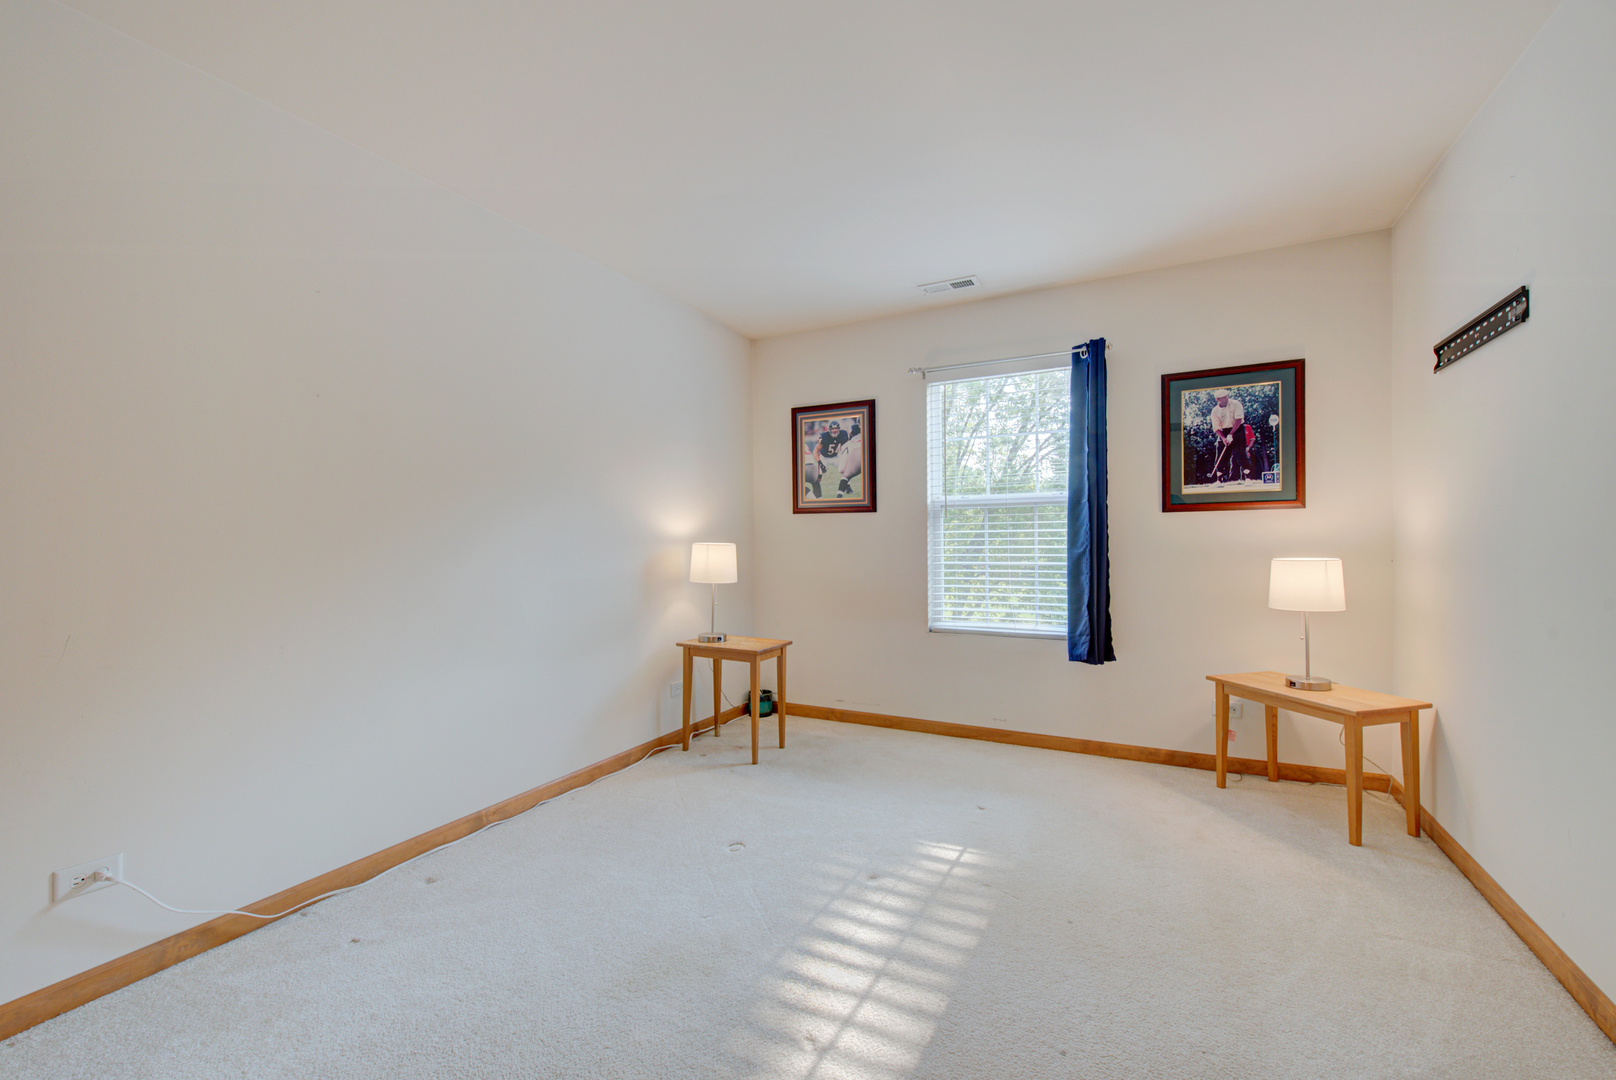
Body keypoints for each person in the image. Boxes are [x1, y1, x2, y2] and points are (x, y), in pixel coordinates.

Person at [1208, 388, 1249, 483]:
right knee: (1221, 455)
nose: (1227, 398)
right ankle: (1220, 479)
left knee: (1241, 453)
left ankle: (1248, 477)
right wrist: (1223, 438)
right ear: (1218, 400)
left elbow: (1239, 420)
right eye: (1223, 397)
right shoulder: (1215, 411)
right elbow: (1216, 428)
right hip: (1224, 431)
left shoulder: (1236, 404)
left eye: (1227, 396)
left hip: (1238, 429)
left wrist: (1231, 434)